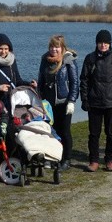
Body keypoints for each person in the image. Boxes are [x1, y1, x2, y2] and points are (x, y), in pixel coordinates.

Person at [79, 29, 112, 172]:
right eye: (100, 42)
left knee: (111, 133)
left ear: (110, 43)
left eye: (106, 42)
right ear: (96, 43)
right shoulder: (90, 58)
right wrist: (84, 99)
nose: (103, 45)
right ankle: (94, 160)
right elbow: (84, 80)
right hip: (94, 103)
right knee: (94, 134)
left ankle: (110, 160)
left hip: (111, 103)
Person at [38, 35, 79, 171]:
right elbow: (41, 81)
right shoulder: (45, 60)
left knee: (65, 131)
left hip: (64, 102)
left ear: (62, 48)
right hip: (48, 104)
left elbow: (74, 83)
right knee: (50, 131)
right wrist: (39, 99)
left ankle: (66, 159)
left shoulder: (69, 61)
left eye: (57, 47)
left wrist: (72, 101)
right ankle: (52, 157)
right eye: (51, 46)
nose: (54, 49)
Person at [0, 33, 36, 110]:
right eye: (1, 49)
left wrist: (29, 84)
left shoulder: (12, 62)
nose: (3, 51)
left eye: (6, 49)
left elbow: (17, 81)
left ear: (9, 49)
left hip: (11, 101)